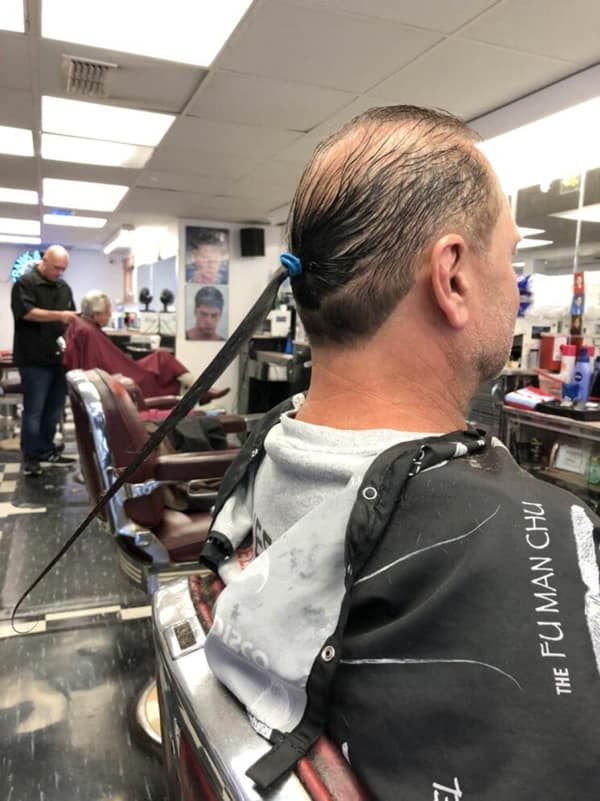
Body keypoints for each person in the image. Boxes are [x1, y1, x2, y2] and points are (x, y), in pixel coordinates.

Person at [200, 106, 600, 799]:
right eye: (508, 256)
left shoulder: (270, 446)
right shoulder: (538, 539)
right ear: (453, 277)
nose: (514, 285)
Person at [63, 290, 228, 403]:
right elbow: (97, 365)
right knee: (163, 361)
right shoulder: (89, 332)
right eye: (107, 312)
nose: (110, 315)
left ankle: (200, 390)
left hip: (120, 370)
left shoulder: (83, 326)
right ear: (96, 314)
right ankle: (201, 390)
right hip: (120, 377)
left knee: (162, 357)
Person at [11, 245, 78, 476]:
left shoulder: (64, 287)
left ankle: (47, 450)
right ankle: (31, 457)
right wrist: (60, 315)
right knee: (34, 411)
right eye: (56, 267)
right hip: (33, 359)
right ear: (44, 260)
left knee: (54, 410)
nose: (60, 272)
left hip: (58, 358)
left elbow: (71, 318)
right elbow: (27, 313)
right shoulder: (25, 283)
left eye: (64, 269)